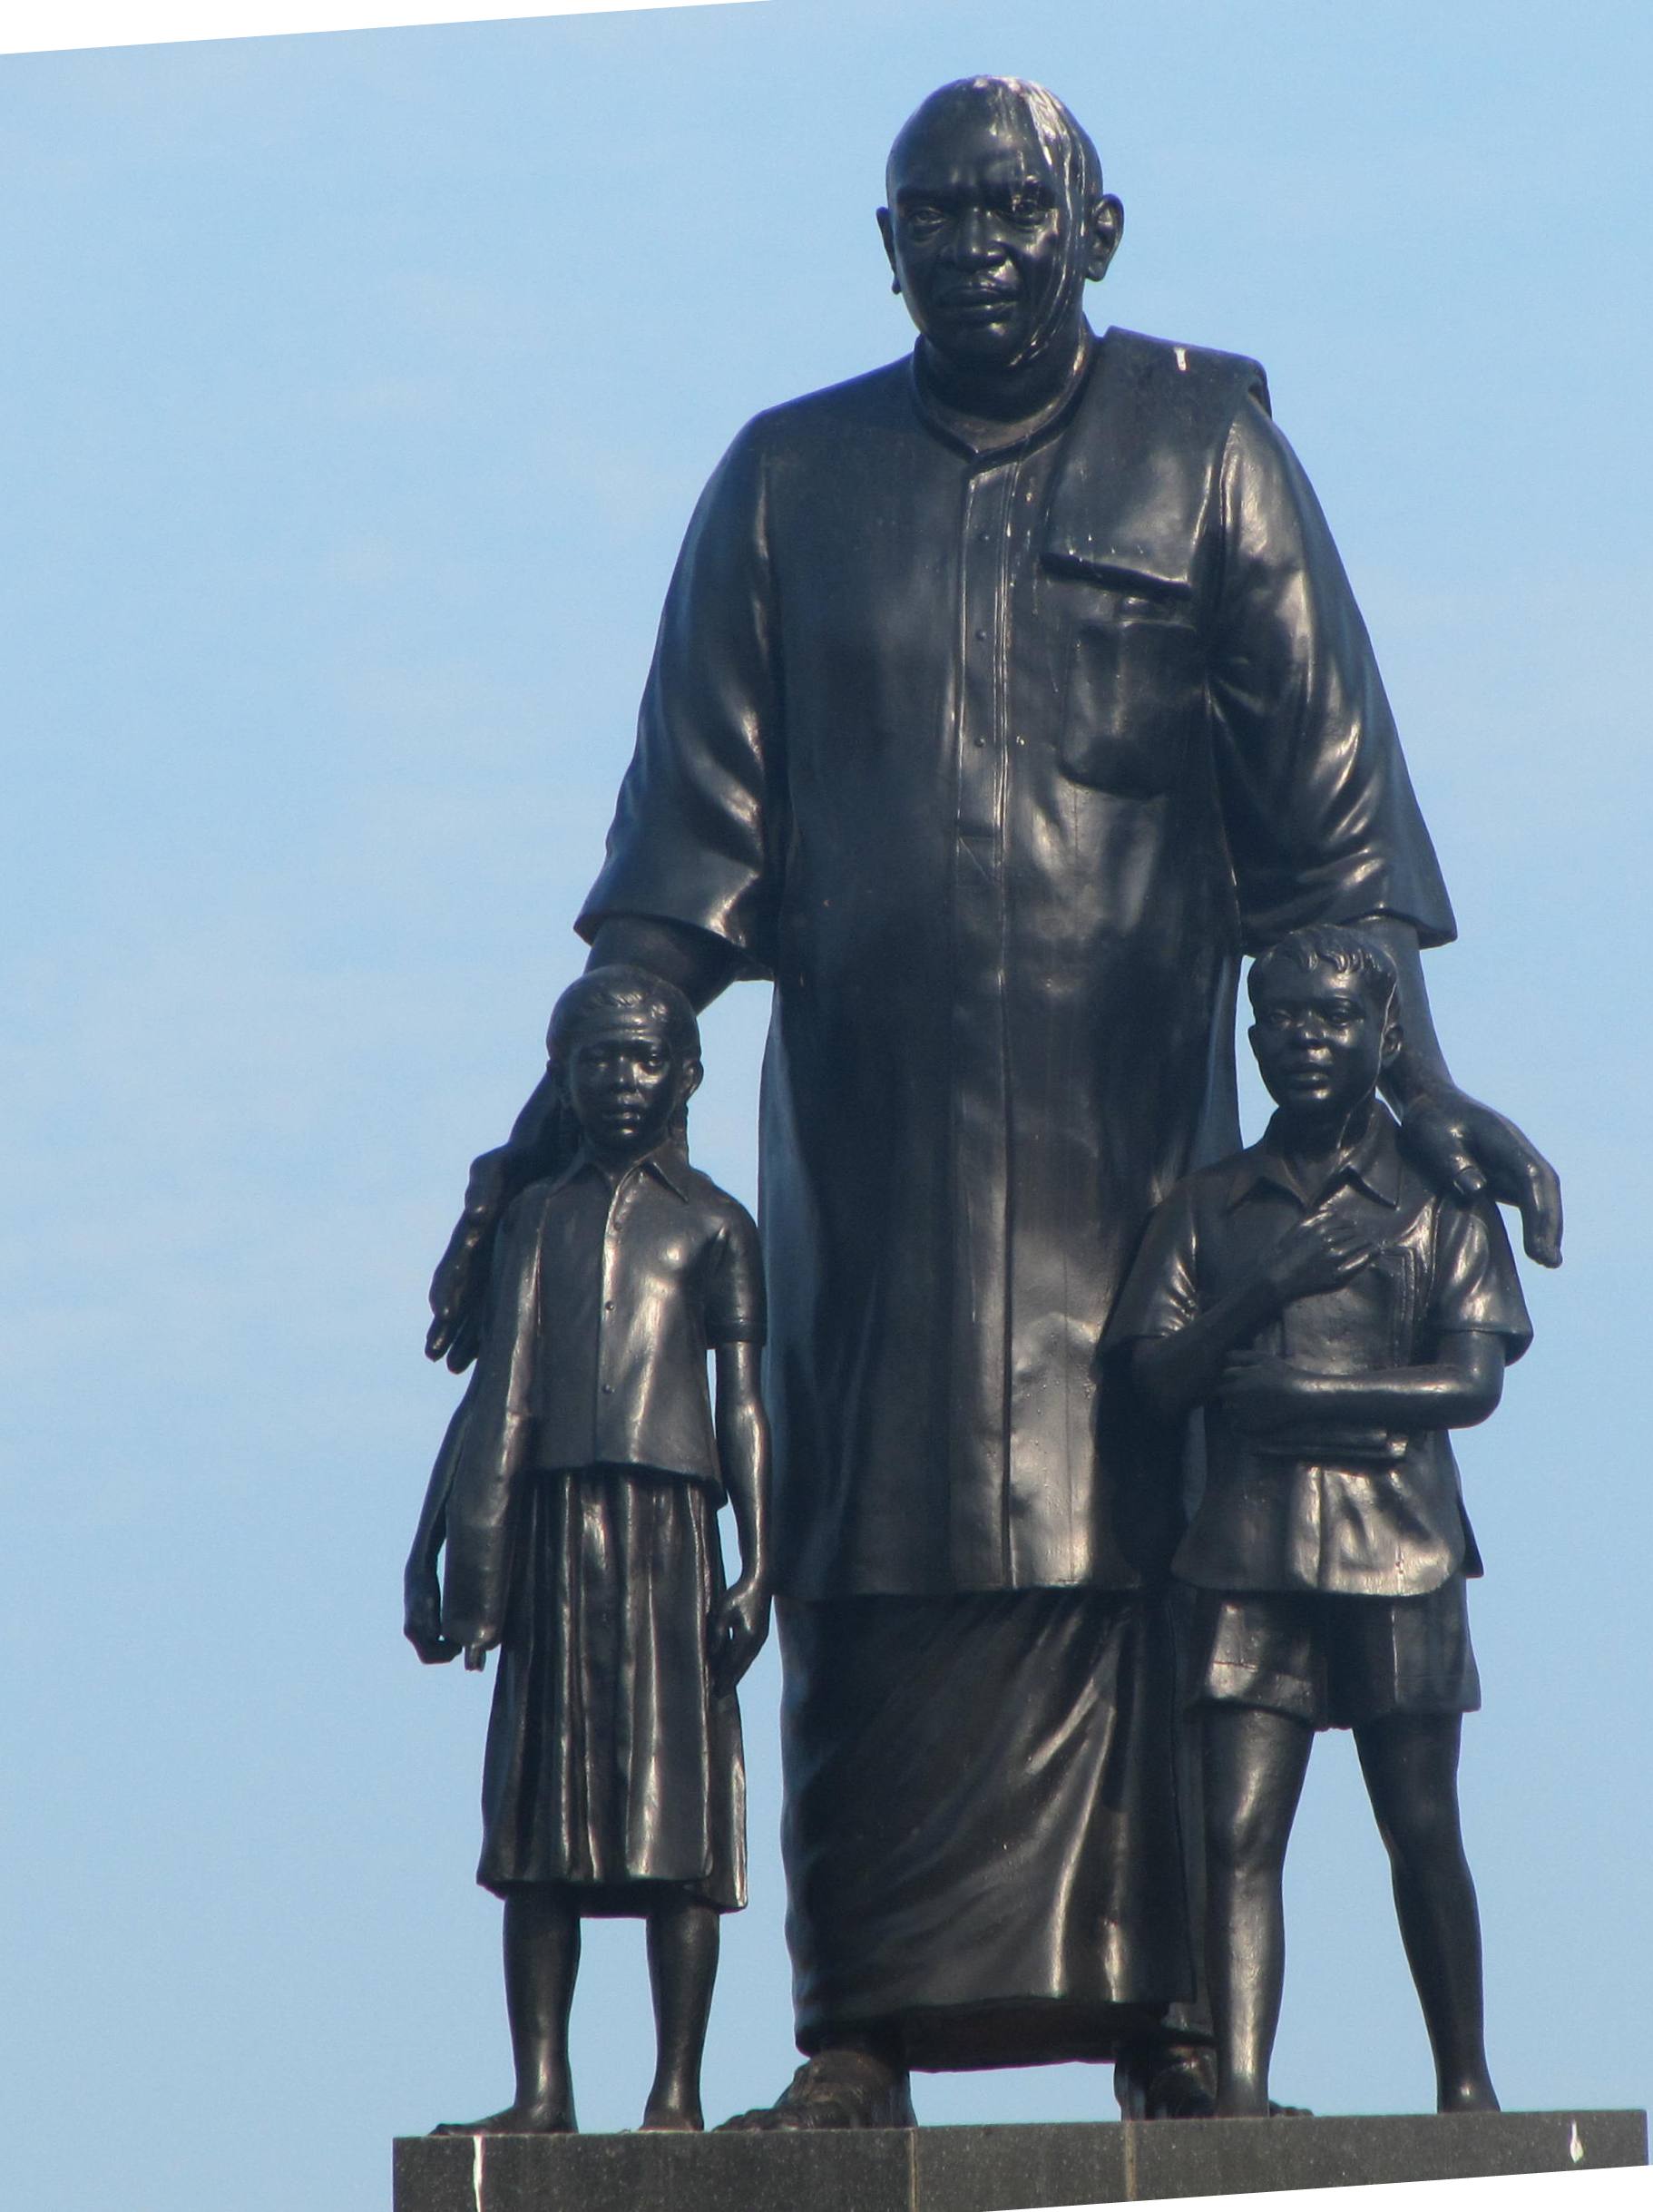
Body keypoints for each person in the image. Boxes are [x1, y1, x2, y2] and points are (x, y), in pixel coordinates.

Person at [422, 76, 1562, 2127]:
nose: (974, 249)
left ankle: (1175, 2021)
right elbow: (674, 878)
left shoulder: (1212, 460)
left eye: (1011, 210)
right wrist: (531, 1156)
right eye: (935, 217)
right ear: (886, 250)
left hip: (1134, 1159)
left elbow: (1331, 847)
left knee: (1142, 1541)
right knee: (868, 1530)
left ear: (1094, 231)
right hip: (869, 1162)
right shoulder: (786, 484)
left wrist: (1424, 1088)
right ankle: (856, 2022)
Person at [1108, 924, 1532, 2118]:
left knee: (1421, 1824)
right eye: (1283, 1019)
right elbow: (1154, 1378)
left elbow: (1472, 1382)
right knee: (1237, 1831)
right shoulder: (1208, 1206)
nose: (1304, 1040)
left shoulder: (1437, 1201)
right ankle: (1240, 2094)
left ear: (1378, 1034)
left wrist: (1310, 1395)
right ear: (1252, 1040)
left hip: (1402, 1546)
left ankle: (1465, 2083)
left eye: (1330, 1018)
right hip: (1247, 1549)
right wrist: (1267, 1285)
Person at [405, 968, 771, 2134]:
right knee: (536, 1827)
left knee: (681, 1824)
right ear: (562, 1076)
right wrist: (443, 1550)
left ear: (686, 1075)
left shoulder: (716, 1223)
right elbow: (492, 1398)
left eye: (643, 1057)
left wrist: (758, 1560)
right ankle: (541, 2090)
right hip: (553, 1532)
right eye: (598, 1058)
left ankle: (677, 2092)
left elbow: (744, 1404)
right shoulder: (535, 1218)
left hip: (673, 1532)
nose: (621, 1078)